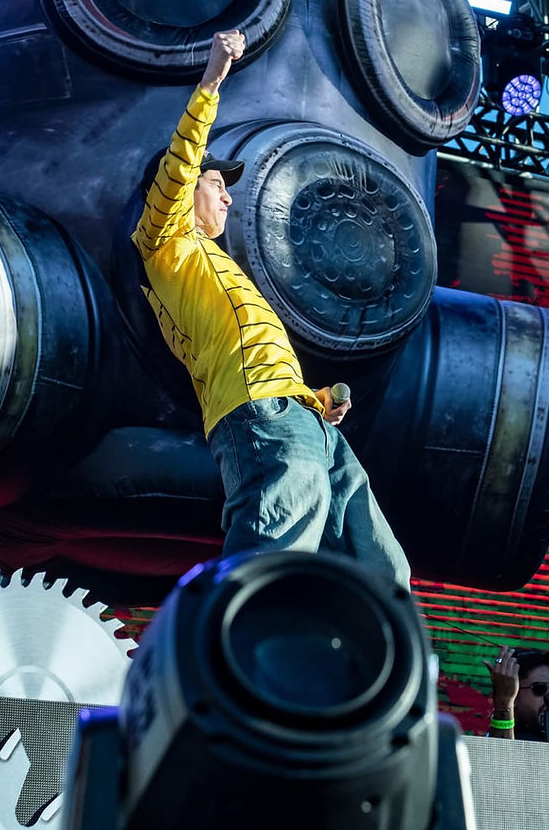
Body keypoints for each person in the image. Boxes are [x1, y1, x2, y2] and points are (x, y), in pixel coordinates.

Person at [132, 29, 410, 585]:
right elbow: (179, 165)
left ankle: (360, 642)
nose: (227, 195)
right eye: (216, 183)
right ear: (179, 192)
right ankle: (232, 637)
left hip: (302, 418)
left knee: (382, 568)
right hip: (259, 415)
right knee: (275, 555)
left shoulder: (217, 264)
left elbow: (255, 353)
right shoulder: (162, 243)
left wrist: (314, 399)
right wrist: (212, 79)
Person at [483, 646, 549, 742]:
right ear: (515, 695)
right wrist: (504, 702)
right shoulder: (488, 742)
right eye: (539, 688)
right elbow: (502, 750)